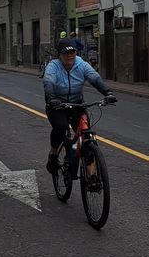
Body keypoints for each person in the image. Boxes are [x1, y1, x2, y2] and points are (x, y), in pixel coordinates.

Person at [43, 39, 117, 173]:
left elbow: (94, 78)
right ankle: (53, 154)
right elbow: (49, 82)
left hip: (77, 104)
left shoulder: (81, 64)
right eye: (66, 53)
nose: (69, 56)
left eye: (72, 52)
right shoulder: (53, 67)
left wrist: (108, 93)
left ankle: (91, 173)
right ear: (59, 55)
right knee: (60, 127)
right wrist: (52, 98)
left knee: (86, 134)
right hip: (57, 105)